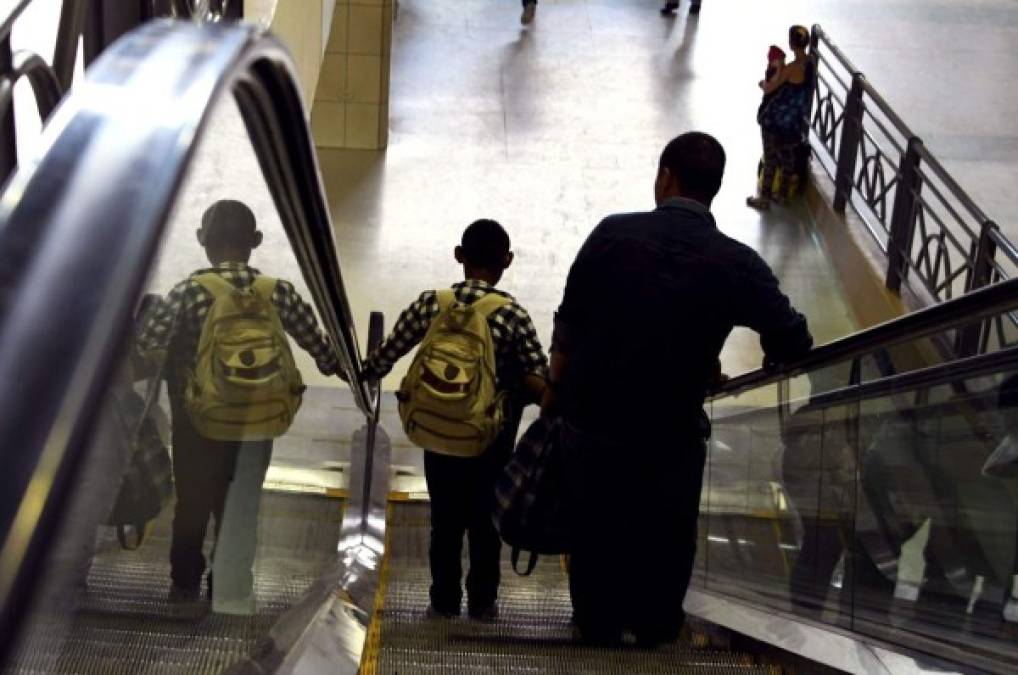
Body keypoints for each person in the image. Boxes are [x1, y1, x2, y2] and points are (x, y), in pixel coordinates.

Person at [544, 132, 812, 646]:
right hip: (671, 429)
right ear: (715, 187)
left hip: (594, 420)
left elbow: (569, 322)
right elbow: (793, 337)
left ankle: (596, 627)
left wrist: (556, 390)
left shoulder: (611, 235)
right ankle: (656, 626)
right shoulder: (736, 263)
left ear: (665, 175)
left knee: (595, 527)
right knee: (665, 530)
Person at [137, 199, 339, 615]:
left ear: (202, 240)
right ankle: (230, 591)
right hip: (256, 420)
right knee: (242, 503)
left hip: (196, 422)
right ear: (256, 242)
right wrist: (351, 366)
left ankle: (183, 587)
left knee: (192, 502)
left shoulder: (187, 292)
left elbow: (147, 347)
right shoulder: (276, 293)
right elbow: (321, 350)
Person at [363, 219, 548, 621]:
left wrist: (364, 371)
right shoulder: (513, 314)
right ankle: (483, 603)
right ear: (507, 261)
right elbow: (538, 379)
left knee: (444, 522)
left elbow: (389, 352)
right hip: (491, 439)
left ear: (459, 256)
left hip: (437, 431)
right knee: (485, 523)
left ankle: (443, 602)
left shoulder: (433, 303)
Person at [748, 25, 814, 210]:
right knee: (787, 157)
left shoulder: (791, 69)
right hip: (794, 122)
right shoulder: (810, 63)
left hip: (776, 120)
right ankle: (783, 194)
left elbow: (770, 88)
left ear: (791, 44)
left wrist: (762, 83)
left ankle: (764, 199)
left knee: (770, 158)